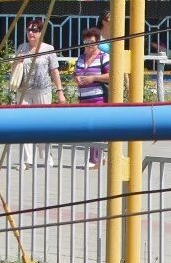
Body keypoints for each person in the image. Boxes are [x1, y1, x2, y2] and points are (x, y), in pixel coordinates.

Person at [10, 18, 65, 167]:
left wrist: (60, 91)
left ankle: (47, 156)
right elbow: (13, 70)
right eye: (29, 30)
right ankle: (26, 160)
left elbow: (54, 71)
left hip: (43, 90)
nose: (31, 33)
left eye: (35, 30)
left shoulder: (48, 49)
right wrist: (17, 61)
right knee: (24, 125)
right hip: (24, 91)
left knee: (43, 124)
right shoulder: (22, 48)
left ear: (41, 33)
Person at [74, 27, 110, 169]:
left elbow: (111, 76)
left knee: (96, 128)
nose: (88, 46)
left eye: (91, 43)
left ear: (97, 43)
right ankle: (96, 157)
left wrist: (93, 78)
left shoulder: (103, 56)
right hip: (83, 99)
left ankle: (96, 158)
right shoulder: (81, 57)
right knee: (88, 129)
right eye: (86, 43)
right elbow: (75, 73)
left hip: (98, 98)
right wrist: (77, 79)